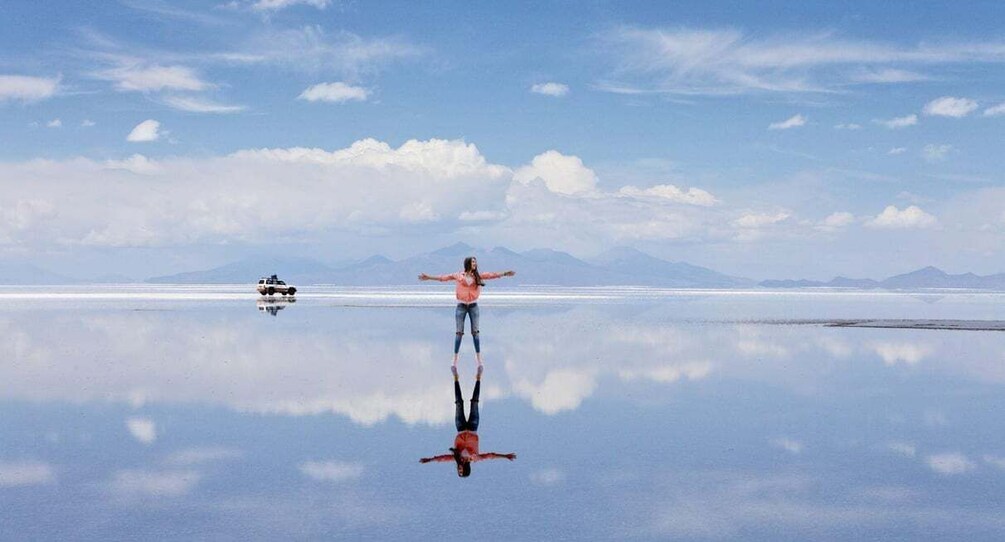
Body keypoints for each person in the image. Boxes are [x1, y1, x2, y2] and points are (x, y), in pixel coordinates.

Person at [418, 256, 515, 370]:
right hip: (461, 306)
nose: (475, 263)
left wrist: (504, 274)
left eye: (475, 262)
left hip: (473, 306)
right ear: (468, 263)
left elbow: (491, 275)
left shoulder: (477, 276)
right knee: (459, 333)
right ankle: (455, 358)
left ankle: (478, 358)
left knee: (476, 333)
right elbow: (443, 278)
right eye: (473, 262)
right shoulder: (458, 275)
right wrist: (429, 277)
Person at [419, 365, 516, 477]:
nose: (459, 469)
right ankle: (478, 377)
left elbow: (443, 458)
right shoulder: (475, 458)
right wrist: (505, 456)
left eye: (458, 472)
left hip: (460, 428)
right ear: (466, 469)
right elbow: (491, 456)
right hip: (473, 427)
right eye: (461, 471)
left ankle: (455, 377)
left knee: (458, 402)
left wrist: (431, 459)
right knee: (474, 402)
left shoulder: (457, 457)